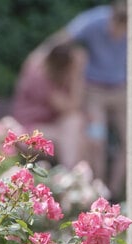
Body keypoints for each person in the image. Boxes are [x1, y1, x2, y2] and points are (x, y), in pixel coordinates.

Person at [64, 1, 127, 198]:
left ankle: (114, 191)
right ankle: (98, 191)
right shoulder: (94, 20)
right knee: (96, 139)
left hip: (121, 90)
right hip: (95, 91)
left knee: (131, 141)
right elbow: (64, 38)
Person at [11, 41, 87, 169]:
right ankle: (71, 179)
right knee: (73, 137)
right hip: (26, 131)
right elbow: (71, 107)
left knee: (77, 126)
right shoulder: (39, 76)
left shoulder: (54, 75)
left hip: (50, 128)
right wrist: (76, 76)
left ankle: (75, 180)